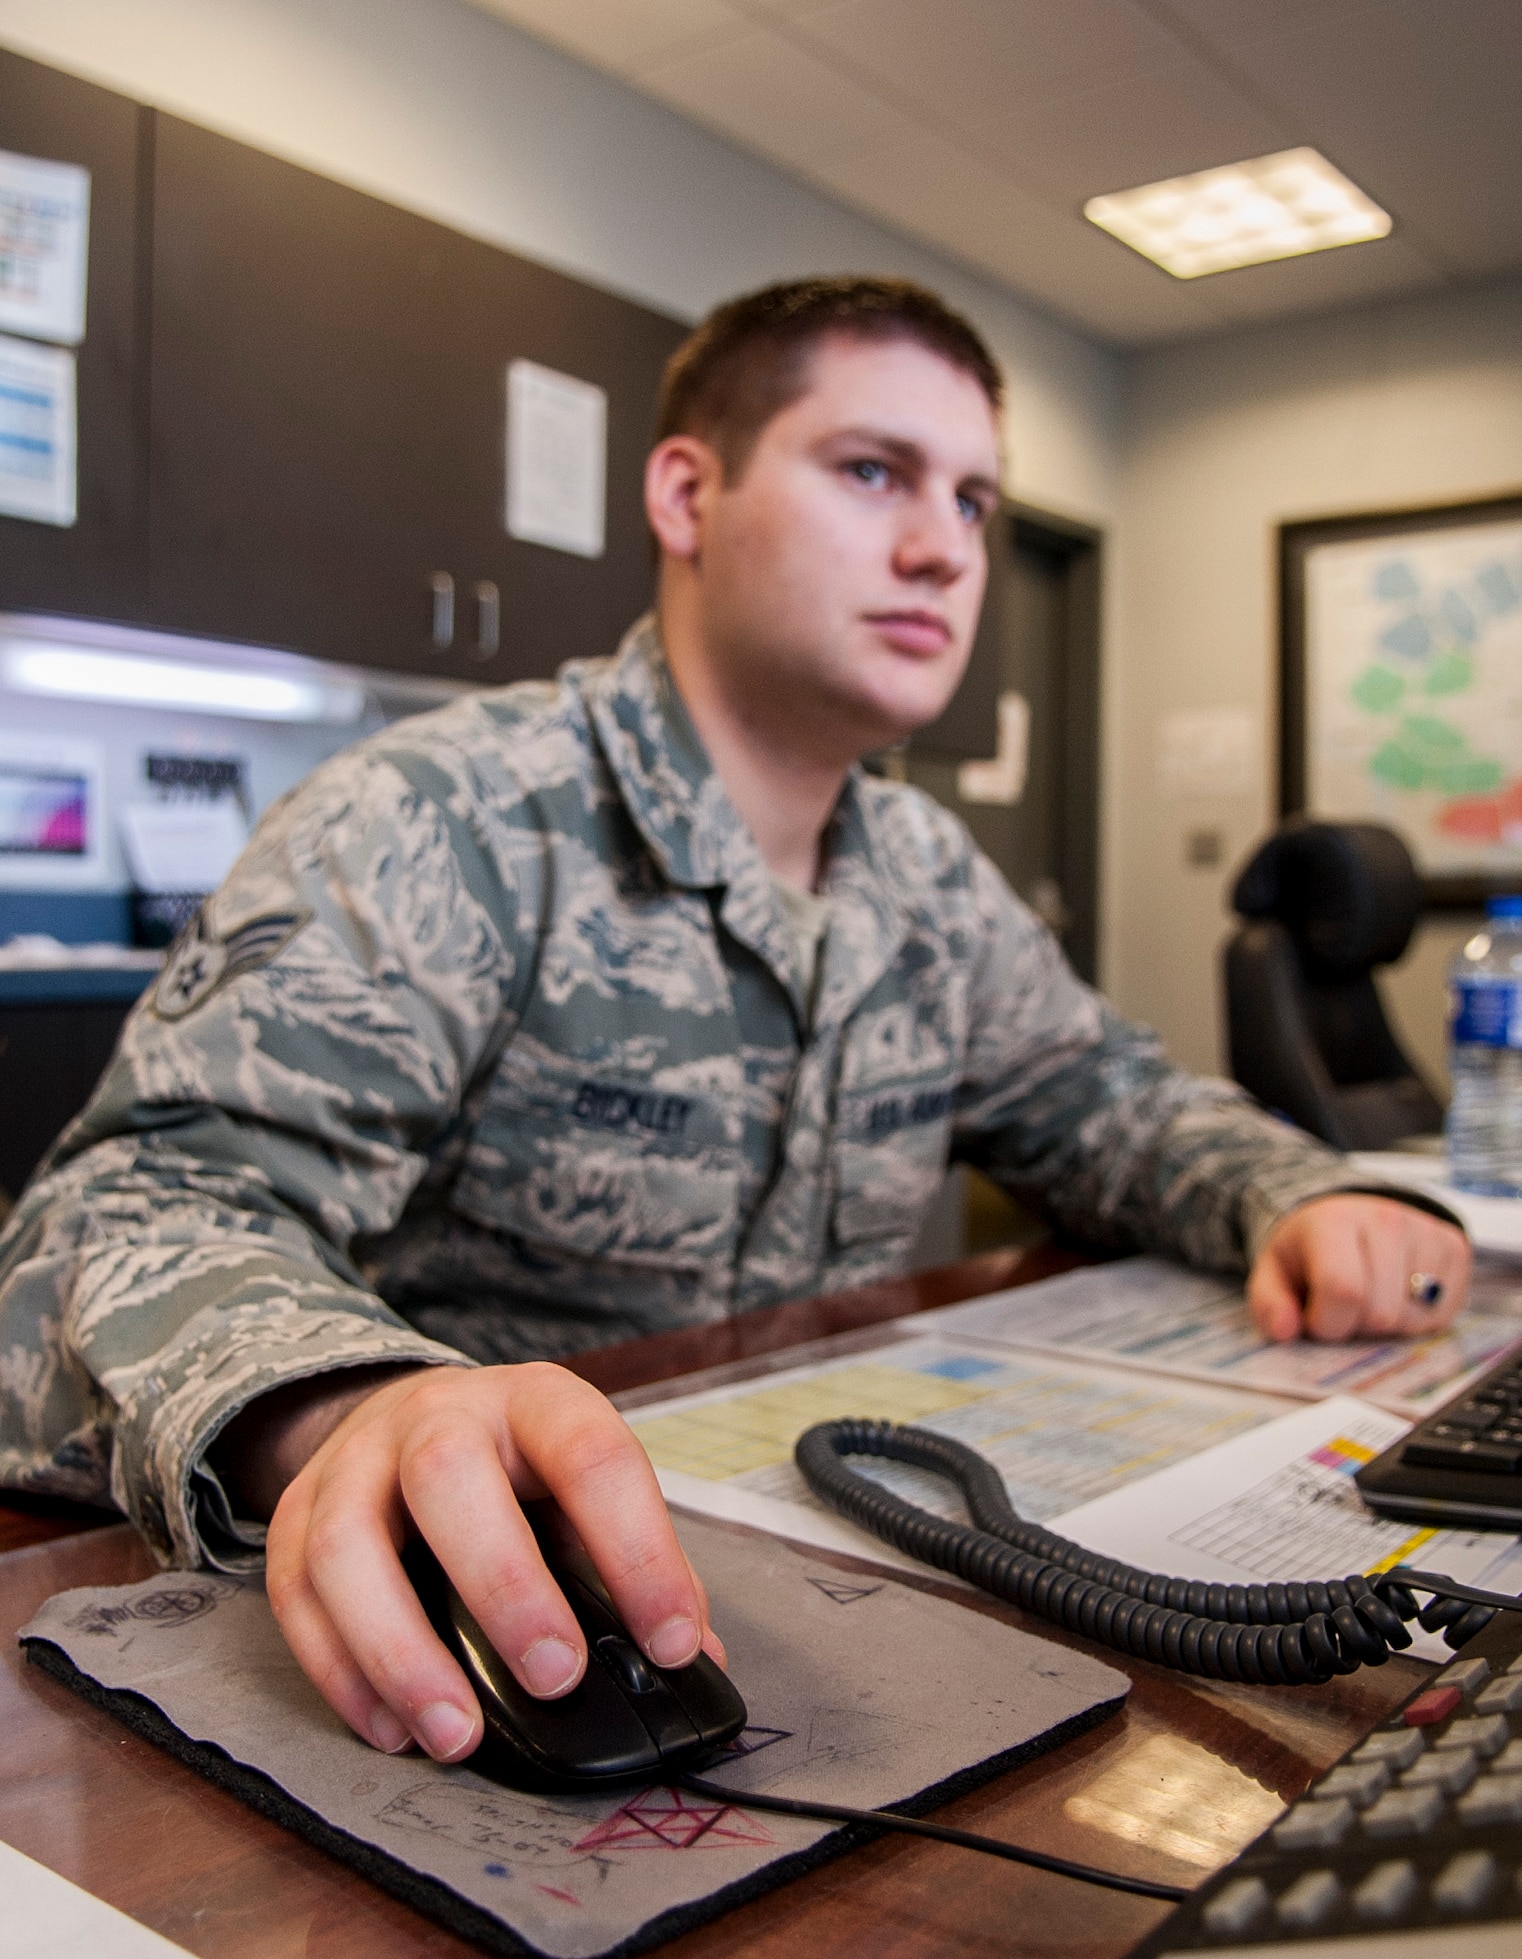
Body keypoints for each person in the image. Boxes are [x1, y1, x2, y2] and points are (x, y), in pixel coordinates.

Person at [0, 277, 1467, 1772]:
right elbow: (122, 1209)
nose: (941, 549)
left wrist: (1302, 1189)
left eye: (972, 501)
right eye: (872, 471)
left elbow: (1106, 1102)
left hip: (821, 1595)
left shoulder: (923, 874)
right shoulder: (449, 815)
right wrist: (341, 1405)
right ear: (688, 494)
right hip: (479, 1648)